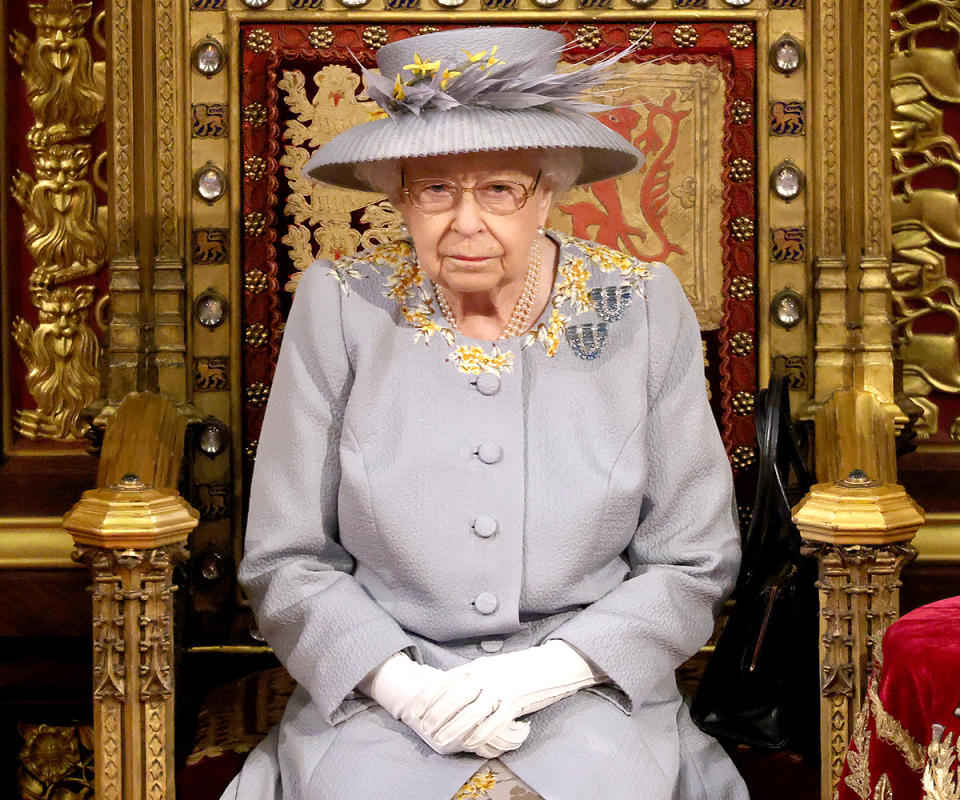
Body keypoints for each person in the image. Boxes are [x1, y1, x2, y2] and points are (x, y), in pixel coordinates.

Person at [223, 26, 748, 800]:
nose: (465, 223)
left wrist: (549, 671)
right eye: (435, 189)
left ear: (548, 190)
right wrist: (399, 685)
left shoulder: (639, 304)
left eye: (499, 189)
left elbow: (692, 557)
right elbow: (285, 558)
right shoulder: (341, 306)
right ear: (400, 193)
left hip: (588, 689)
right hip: (381, 696)